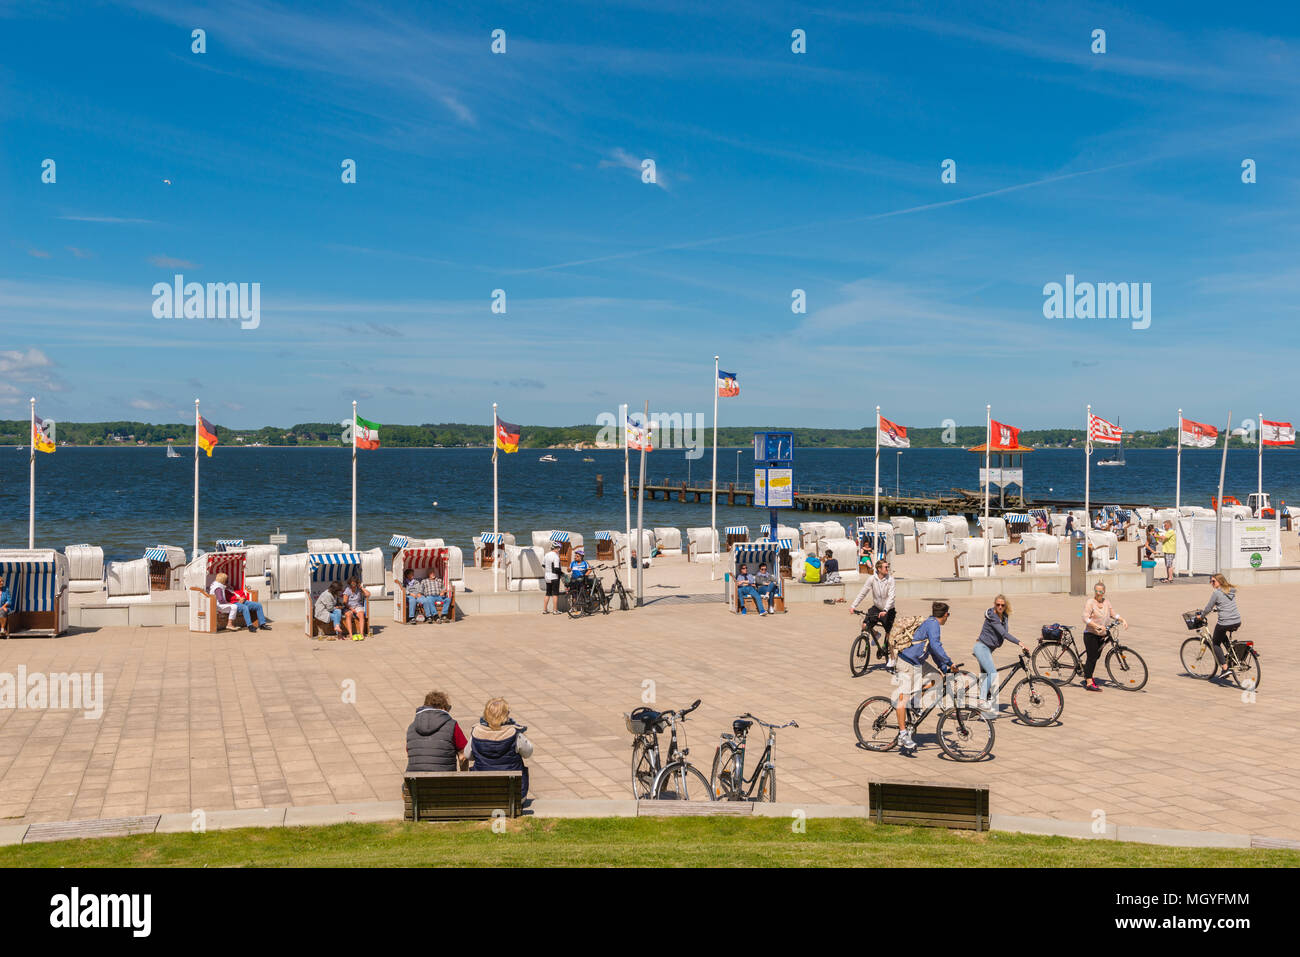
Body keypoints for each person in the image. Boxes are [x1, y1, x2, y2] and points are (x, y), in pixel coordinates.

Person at [893, 601, 954, 752]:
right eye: (948, 615)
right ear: (946, 615)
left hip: (917, 662)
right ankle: (902, 734)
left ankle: (915, 702)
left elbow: (932, 651)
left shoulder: (931, 622)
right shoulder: (933, 625)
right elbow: (935, 646)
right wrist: (949, 662)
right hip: (906, 662)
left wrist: (944, 668)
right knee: (903, 699)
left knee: (937, 678)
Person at [468, 697, 534, 798]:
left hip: (482, 794)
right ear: (505, 715)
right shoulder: (514, 734)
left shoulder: (476, 732)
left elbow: (467, 755)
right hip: (512, 796)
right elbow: (528, 753)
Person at [972, 594, 1025, 714]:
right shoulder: (993, 617)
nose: (1000, 607)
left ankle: (982, 702)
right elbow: (1004, 634)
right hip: (982, 648)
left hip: (988, 649)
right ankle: (981, 701)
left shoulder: (1004, 617)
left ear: (1005, 606)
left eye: (1002, 605)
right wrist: (1019, 643)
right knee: (993, 674)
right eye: (998, 604)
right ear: (994, 605)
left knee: (985, 676)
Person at [405, 690, 469, 772]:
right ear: (443, 708)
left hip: (416, 782)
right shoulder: (452, 725)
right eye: (448, 708)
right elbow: (463, 756)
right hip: (444, 781)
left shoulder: (412, 727)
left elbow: (411, 754)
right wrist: (463, 775)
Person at [1081, 582, 1128, 691]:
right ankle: (1088, 682)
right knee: (1092, 657)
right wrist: (1096, 626)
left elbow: (1113, 614)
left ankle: (1087, 670)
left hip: (1102, 634)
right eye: (1096, 591)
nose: (1098, 593)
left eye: (1101, 591)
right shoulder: (1090, 602)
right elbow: (1085, 618)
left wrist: (1122, 619)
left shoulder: (1106, 602)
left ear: (1104, 592)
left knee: (1096, 657)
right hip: (1090, 634)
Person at [850, 558, 896, 661]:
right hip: (876, 607)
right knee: (865, 625)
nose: (887, 569)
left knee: (889, 633)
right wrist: (853, 606)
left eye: (887, 566)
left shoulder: (890, 580)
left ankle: (892, 660)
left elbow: (891, 597)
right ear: (879, 569)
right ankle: (876, 634)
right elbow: (863, 593)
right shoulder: (872, 579)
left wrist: (885, 610)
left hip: (888, 610)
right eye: (885, 567)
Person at [1200, 573, 1242, 672]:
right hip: (1237, 621)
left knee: (1215, 643)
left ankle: (1225, 668)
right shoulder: (1230, 590)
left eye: (1213, 581)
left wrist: (1201, 616)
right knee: (1222, 635)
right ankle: (1233, 657)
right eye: (1210, 581)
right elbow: (1226, 604)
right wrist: (1218, 609)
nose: (1211, 583)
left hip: (1225, 622)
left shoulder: (1216, 593)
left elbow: (1208, 608)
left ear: (1220, 581)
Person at [342, 575, 369, 640]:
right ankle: (351, 634)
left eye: (355, 582)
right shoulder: (347, 590)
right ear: (350, 582)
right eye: (352, 582)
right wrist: (351, 609)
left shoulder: (359, 589)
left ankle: (361, 633)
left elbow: (368, 594)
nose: (353, 583)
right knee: (348, 615)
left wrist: (361, 588)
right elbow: (344, 602)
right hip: (348, 607)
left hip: (358, 606)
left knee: (361, 615)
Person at [542, 541, 561, 614]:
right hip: (554, 577)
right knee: (555, 594)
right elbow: (556, 569)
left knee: (548, 593)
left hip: (547, 576)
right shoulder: (556, 556)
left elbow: (543, 565)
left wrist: (549, 569)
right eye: (559, 549)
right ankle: (555, 610)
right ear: (558, 549)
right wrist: (561, 574)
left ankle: (544, 609)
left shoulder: (546, 554)